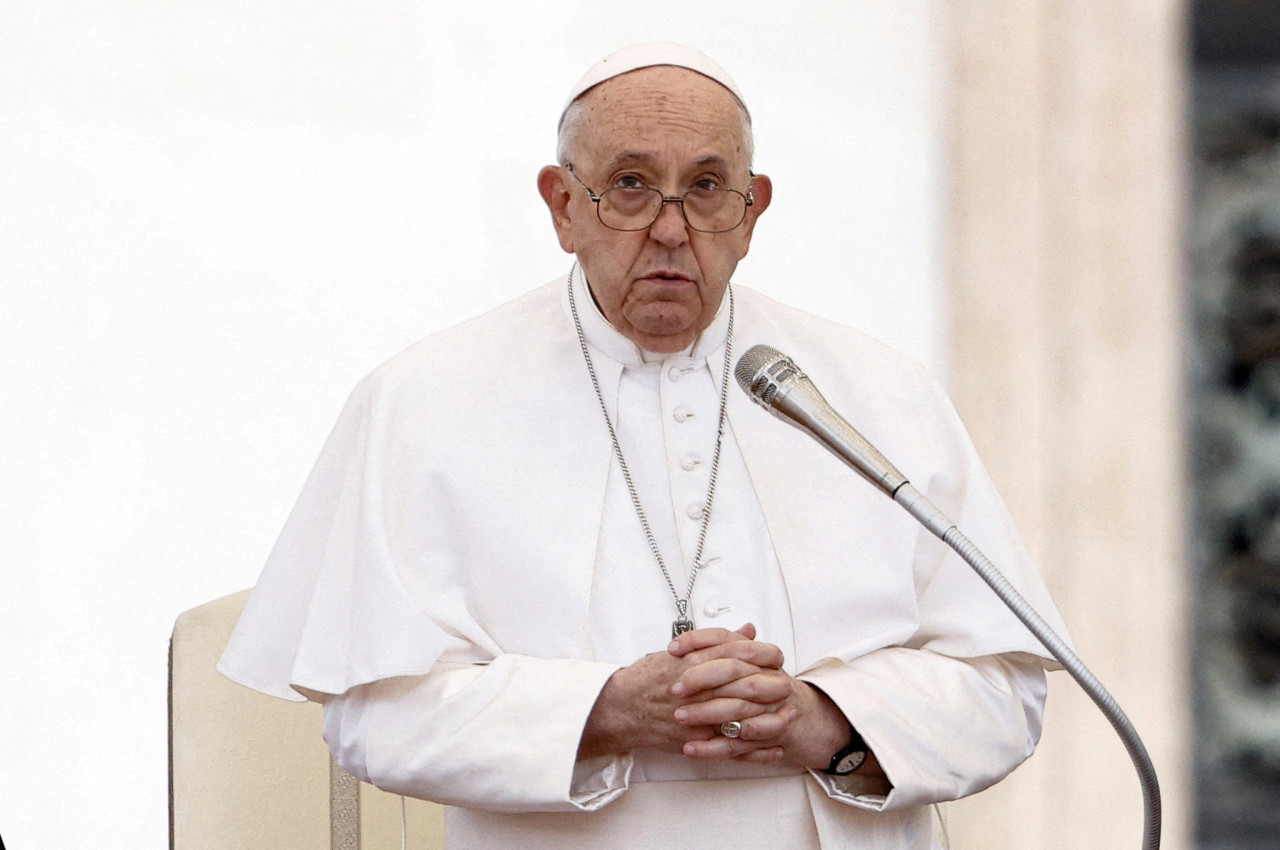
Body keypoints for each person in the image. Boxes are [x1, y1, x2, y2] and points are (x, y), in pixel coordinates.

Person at [219, 43, 1068, 849]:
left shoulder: (875, 394)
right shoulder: (422, 400)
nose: (671, 228)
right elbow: (370, 718)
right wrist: (609, 709)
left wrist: (824, 721)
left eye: (706, 187)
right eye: (631, 186)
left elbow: (1005, 691)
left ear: (752, 210)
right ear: (562, 206)